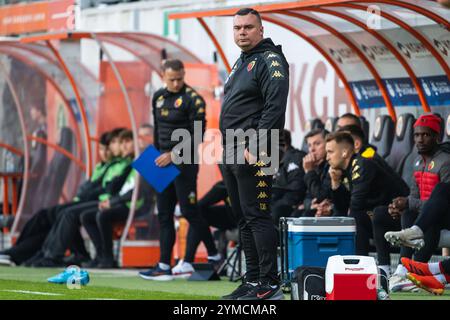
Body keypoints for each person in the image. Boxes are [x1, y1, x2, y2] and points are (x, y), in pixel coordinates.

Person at [219, 8, 289, 300]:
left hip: (255, 149)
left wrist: (258, 146)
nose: (242, 32)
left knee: (258, 216)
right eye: (237, 28)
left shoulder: (270, 60)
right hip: (233, 147)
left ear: (261, 29)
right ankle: (252, 280)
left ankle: (269, 283)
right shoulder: (242, 61)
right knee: (244, 218)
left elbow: (275, 106)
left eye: (248, 27)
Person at [138, 59, 220, 281]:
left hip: (184, 163)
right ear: (163, 76)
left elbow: (197, 136)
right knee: (164, 214)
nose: (176, 83)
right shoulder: (158, 97)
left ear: (184, 75)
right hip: (161, 161)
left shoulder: (194, 100)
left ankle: (213, 255)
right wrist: (154, 157)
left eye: (180, 79)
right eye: (171, 79)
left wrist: (173, 155)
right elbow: (157, 131)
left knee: (189, 211)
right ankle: (164, 265)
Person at [0, 130, 122, 266]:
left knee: (66, 214)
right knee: (45, 214)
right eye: (102, 149)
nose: (105, 152)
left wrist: (89, 193)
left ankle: (51, 255)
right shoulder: (102, 166)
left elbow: (107, 188)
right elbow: (90, 186)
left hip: (103, 202)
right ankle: (19, 250)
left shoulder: (123, 165)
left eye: (111, 146)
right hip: (89, 200)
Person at [29, 129, 133, 267]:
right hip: (107, 201)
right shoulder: (111, 165)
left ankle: (55, 255)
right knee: (57, 213)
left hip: (116, 203)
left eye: (124, 142)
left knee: (72, 214)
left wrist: (111, 199)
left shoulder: (129, 163)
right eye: (118, 142)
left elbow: (116, 188)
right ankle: (48, 253)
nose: (119, 146)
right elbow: (96, 185)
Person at [381, 115, 450, 290]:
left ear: (436, 136)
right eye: (417, 135)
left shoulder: (446, 161)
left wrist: (409, 203)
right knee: (390, 213)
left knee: (439, 193)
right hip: (426, 215)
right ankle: (401, 270)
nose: (420, 139)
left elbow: (443, 201)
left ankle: (415, 270)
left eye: (425, 135)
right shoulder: (417, 161)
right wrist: (399, 205)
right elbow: (413, 196)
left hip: (443, 215)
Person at [80, 128, 155, 268]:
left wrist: (113, 201)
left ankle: (108, 258)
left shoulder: (150, 159)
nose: (124, 146)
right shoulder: (135, 160)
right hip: (125, 202)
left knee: (103, 216)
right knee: (86, 216)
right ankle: (101, 255)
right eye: (140, 136)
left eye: (127, 141)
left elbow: (139, 191)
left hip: (137, 206)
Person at [325, 132, 409, 256]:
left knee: (356, 217)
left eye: (330, 152)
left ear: (344, 152)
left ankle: (360, 263)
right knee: (346, 217)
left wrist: (347, 209)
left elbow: (356, 204)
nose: (327, 157)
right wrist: (335, 182)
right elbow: (341, 208)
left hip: (399, 216)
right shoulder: (343, 171)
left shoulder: (361, 165)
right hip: (377, 216)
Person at [296, 128, 334, 218]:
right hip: (317, 210)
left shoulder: (332, 165)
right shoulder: (314, 166)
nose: (312, 149)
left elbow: (322, 196)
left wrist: (309, 172)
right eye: (309, 145)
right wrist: (310, 205)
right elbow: (306, 197)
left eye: (317, 144)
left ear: (328, 145)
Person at [271, 129, 306, 224]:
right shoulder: (276, 160)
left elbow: (295, 192)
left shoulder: (296, 158)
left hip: (291, 206)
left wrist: (273, 205)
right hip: (278, 202)